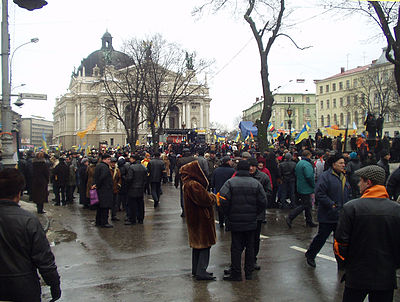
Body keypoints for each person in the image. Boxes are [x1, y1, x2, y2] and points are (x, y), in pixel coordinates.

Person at [334, 165, 400, 302]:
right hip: (385, 276)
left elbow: (340, 242)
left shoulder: (351, 208)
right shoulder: (396, 210)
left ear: (368, 182)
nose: (358, 184)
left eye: (361, 181)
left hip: (357, 275)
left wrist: (346, 264)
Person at [0, 168, 61, 302]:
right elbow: (43, 258)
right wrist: (54, 283)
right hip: (22, 287)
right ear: (19, 193)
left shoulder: (28, 221)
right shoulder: (28, 221)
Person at [219, 160, 267, 281]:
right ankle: (249, 272)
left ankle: (236, 273)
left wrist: (228, 213)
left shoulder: (230, 183)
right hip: (251, 221)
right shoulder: (256, 183)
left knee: (236, 247)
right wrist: (255, 213)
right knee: (250, 247)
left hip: (235, 221)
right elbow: (263, 201)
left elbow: (222, 199)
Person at [305, 153, 350, 268]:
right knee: (322, 237)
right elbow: (319, 194)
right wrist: (332, 205)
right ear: (333, 164)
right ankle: (311, 254)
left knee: (339, 240)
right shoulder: (325, 176)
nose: (343, 165)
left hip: (341, 214)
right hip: (328, 214)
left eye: (343, 163)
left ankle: (341, 262)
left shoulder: (343, 177)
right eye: (340, 163)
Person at [180, 161, 217, 281]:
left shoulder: (187, 184)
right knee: (204, 245)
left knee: (197, 246)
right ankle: (201, 270)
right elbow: (204, 199)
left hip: (195, 218)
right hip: (201, 218)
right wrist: (213, 197)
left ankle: (197, 269)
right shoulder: (193, 185)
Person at [248, 157, 272, 270]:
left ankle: (253, 259)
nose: (251, 168)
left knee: (255, 238)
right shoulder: (243, 176)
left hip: (257, 213)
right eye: (250, 166)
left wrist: (259, 199)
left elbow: (269, 192)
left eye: (253, 166)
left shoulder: (263, 177)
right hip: (245, 213)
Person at [285, 150, 317, 228]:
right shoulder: (307, 164)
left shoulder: (299, 163)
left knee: (307, 205)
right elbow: (309, 176)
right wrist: (313, 185)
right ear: (309, 155)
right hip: (306, 187)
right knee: (305, 205)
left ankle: (309, 221)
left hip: (300, 186)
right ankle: (290, 216)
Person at [211, 156, 235, 229]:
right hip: (229, 192)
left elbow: (213, 182)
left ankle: (221, 223)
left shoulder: (216, 170)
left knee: (220, 208)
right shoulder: (232, 171)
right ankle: (227, 225)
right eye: (230, 161)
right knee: (228, 209)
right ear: (228, 162)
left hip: (219, 192)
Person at [93, 154, 114, 228]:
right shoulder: (104, 167)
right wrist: (98, 184)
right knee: (105, 206)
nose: (109, 161)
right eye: (108, 159)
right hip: (105, 189)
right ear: (104, 159)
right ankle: (104, 222)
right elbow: (103, 177)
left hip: (100, 189)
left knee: (100, 207)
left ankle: (98, 221)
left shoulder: (98, 166)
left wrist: (96, 184)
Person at [126, 155, 147, 225]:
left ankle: (133, 219)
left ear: (134, 159)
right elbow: (145, 178)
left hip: (132, 188)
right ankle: (140, 219)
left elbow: (129, 178)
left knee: (132, 205)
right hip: (140, 188)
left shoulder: (131, 167)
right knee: (140, 204)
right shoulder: (143, 167)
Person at [175, 148, 196, 217]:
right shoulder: (194, 159)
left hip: (183, 180)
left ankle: (184, 210)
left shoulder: (180, 160)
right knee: (193, 195)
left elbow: (177, 172)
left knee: (183, 196)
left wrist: (176, 182)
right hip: (193, 179)